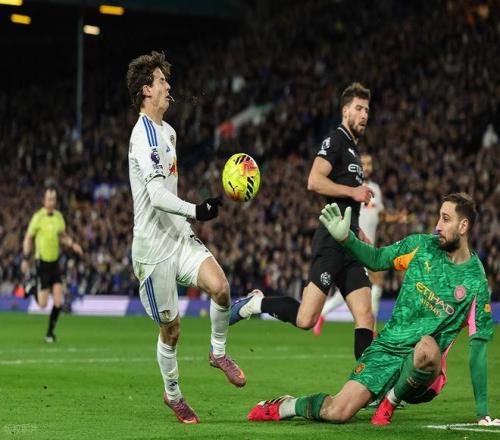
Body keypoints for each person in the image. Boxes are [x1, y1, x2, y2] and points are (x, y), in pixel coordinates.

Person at [247, 194, 499, 426]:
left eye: (445, 219)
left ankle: (390, 400)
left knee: (428, 347)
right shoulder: (422, 246)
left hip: (423, 372)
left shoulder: (475, 283)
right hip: (386, 349)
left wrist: (482, 412)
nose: (438, 226)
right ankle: (286, 406)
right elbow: (377, 260)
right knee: (337, 412)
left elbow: (478, 349)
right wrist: (347, 239)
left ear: (463, 226)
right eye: (439, 217)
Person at [126, 51, 245, 425]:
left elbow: (169, 192)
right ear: (146, 90)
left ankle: (218, 352)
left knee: (221, 287)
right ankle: (173, 394)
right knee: (172, 330)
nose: (168, 85)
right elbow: (156, 195)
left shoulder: (169, 132)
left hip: (178, 237)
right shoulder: (144, 136)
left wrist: (190, 218)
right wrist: (197, 210)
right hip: (153, 251)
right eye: (161, 81)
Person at [230, 82, 375, 360]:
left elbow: (345, 203)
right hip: (331, 241)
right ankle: (255, 304)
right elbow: (314, 180)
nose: (364, 115)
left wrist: (357, 230)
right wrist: (353, 192)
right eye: (358, 109)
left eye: (367, 110)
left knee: (366, 315)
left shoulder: (354, 151)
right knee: (306, 319)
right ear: (345, 112)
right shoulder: (335, 141)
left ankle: (366, 381)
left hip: (350, 242)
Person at [313, 152, 408, 336]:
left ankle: (324, 315)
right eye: (364, 163)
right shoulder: (351, 187)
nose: (368, 167)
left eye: (370, 163)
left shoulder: (376, 189)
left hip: (369, 246)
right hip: (353, 243)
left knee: (358, 286)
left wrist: (397, 218)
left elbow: (380, 216)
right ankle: (371, 329)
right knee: (374, 283)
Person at [21, 186, 83, 343]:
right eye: (49, 199)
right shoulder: (38, 217)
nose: (51, 202)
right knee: (42, 304)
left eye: (54, 199)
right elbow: (28, 238)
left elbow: (62, 236)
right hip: (42, 263)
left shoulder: (58, 217)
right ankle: (31, 289)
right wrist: (26, 258)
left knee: (58, 302)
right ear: (44, 201)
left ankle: (49, 333)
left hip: (55, 263)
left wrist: (73, 244)